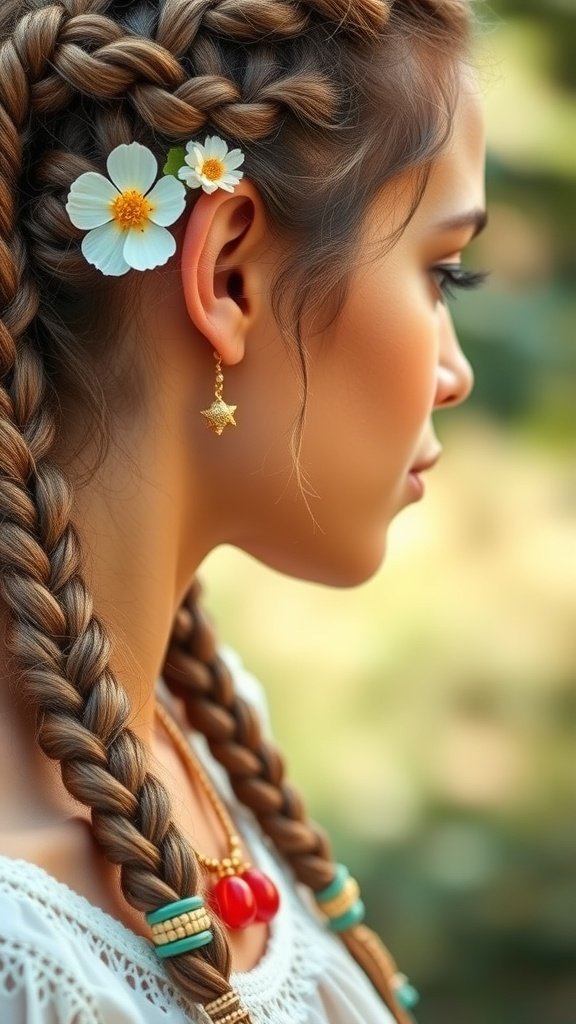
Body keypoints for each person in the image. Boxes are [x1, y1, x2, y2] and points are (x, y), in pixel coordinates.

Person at [0, 1, 488, 1022]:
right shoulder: (19, 949)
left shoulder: (209, 737)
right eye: (441, 272)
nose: (455, 370)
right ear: (226, 273)